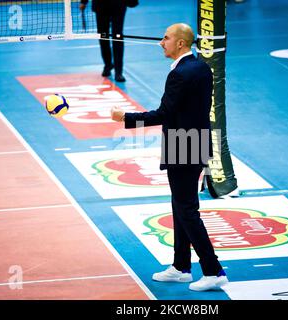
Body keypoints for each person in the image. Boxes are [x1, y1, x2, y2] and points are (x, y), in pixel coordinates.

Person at [111, 23, 229, 291]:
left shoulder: (181, 74)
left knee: (187, 210)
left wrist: (125, 118)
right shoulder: (199, 66)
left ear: (180, 43)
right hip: (194, 142)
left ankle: (213, 270)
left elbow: (164, 113)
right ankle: (181, 267)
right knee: (180, 206)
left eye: (166, 38)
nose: (160, 42)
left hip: (183, 145)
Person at [80, 0, 127, 82]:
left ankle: (118, 72)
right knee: (103, 36)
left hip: (119, 4)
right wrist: (84, 2)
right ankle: (108, 65)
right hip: (101, 6)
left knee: (117, 37)